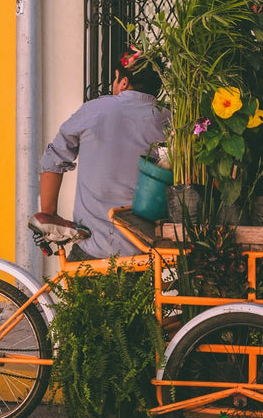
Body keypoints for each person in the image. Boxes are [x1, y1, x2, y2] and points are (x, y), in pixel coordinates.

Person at [39, 51, 169, 262]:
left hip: (92, 247)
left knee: (78, 292)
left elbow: (54, 159)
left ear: (124, 81)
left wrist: (48, 214)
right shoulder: (168, 119)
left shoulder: (95, 110)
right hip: (144, 251)